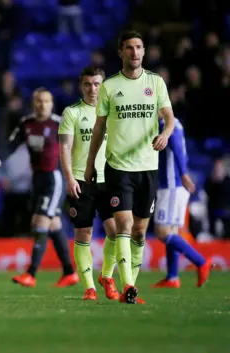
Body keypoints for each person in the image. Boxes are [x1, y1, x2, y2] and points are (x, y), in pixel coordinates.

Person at [85, 30, 175, 304]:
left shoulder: (155, 83)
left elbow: (169, 117)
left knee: (139, 231)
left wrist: (165, 134)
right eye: (129, 48)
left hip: (148, 167)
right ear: (120, 52)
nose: (134, 52)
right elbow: (99, 128)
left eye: (139, 47)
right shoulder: (110, 86)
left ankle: (130, 286)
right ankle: (127, 286)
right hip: (118, 167)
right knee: (123, 224)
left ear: (144, 51)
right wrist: (91, 163)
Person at [58, 67, 119, 301]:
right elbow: (64, 148)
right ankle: (89, 287)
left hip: (109, 180)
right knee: (84, 234)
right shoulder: (72, 113)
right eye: (88, 84)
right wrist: (70, 178)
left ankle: (106, 276)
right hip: (81, 181)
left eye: (97, 84)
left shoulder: (112, 112)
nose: (92, 89)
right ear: (81, 86)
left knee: (115, 231)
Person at [8, 89, 79, 288]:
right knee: (54, 224)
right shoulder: (26, 123)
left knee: (39, 222)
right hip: (37, 179)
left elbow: (74, 148)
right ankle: (69, 272)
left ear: (52, 103)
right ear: (33, 103)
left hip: (54, 178)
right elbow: (11, 145)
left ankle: (31, 274)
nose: (42, 104)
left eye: (46, 101)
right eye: (39, 101)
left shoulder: (59, 124)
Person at [151, 114, 212, 288]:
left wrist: (184, 175)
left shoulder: (167, 125)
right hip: (176, 186)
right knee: (172, 232)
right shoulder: (176, 123)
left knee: (162, 232)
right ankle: (172, 277)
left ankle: (201, 262)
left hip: (171, 185)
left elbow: (177, 148)